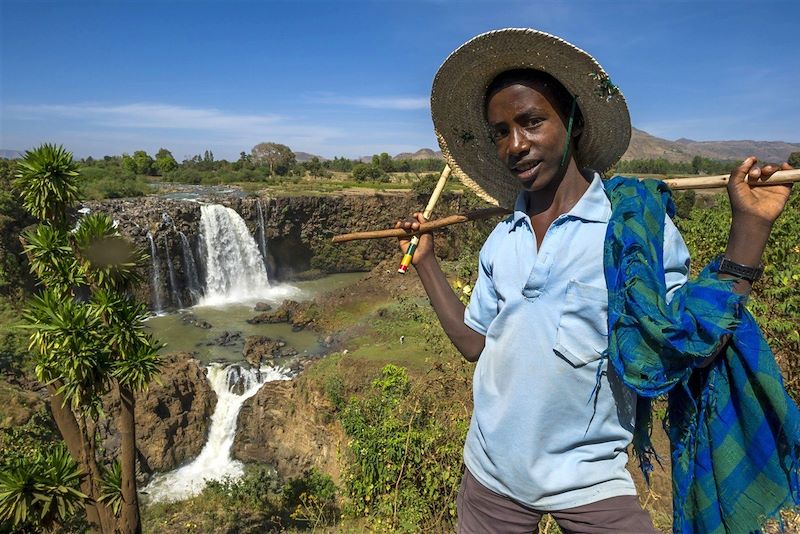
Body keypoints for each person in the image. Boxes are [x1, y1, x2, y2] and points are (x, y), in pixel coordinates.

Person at [396, 29, 796, 533]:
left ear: (573, 122)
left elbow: (691, 338)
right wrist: (427, 263)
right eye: (500, 131)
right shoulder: (503, 239)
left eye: (532, 122)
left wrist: (751, 228)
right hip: (489, 478)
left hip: (590, 484)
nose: (515, 145)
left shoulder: (632, 233)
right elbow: (475, 345)